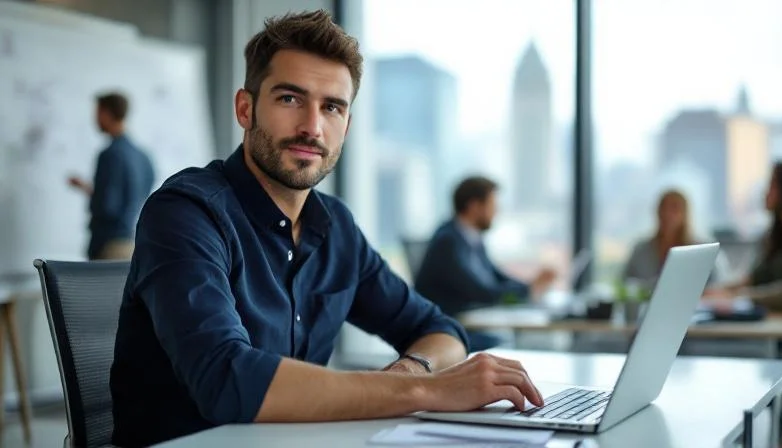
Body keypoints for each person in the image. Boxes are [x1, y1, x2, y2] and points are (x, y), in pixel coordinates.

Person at [109, 11, 543, 447]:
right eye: (290, 99)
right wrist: (427, 390)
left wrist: (410, 373)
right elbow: (228, 380)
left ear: (346, 126)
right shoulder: (185, 213)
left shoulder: (335, 228)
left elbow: (441, 332)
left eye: (332, 107)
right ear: (246, 108)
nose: (312, 127)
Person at [414, 176, 556, 352]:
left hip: (467, 323)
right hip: (446, 331)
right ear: (474, 206)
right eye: (492, 206)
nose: (496, 212)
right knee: (511, 346)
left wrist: (529, 286)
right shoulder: (448, 241)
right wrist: (528, 290)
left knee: (521, 344)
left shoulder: (471, 238)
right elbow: (482, 292)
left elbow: (497, 277)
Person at [67, 92, 155, 260]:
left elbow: (107, 205)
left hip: (107, 245)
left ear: (106, 114)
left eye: (97, 113)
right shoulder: (143, 156)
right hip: (130, 242)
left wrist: (92, 194)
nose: (95, 120)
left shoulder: (110, 154)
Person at [705, 162, 782, 309]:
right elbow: (756, 278)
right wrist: (717, 291)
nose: (766, 191)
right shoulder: (778, 234)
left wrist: (736, 297)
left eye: (772, 184)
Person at [621, 189, 709, 290]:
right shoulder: (640, 250)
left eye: (674, 209)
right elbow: (625, 284)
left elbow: (720, 287)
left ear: (685, 214)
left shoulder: (700, 251)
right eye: (663, 208)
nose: (667, 214)